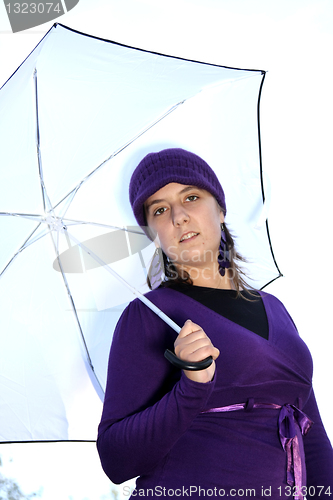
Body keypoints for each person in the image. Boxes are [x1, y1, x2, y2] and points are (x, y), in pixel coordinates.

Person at [97, 148, 333, 499]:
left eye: (191, 197)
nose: (178, 216)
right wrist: (191, 385)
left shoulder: (276, 309)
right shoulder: (150, 314)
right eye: (160, 210)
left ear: (220, 210)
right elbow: (116, 459)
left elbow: (312, 441)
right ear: (153, 233)